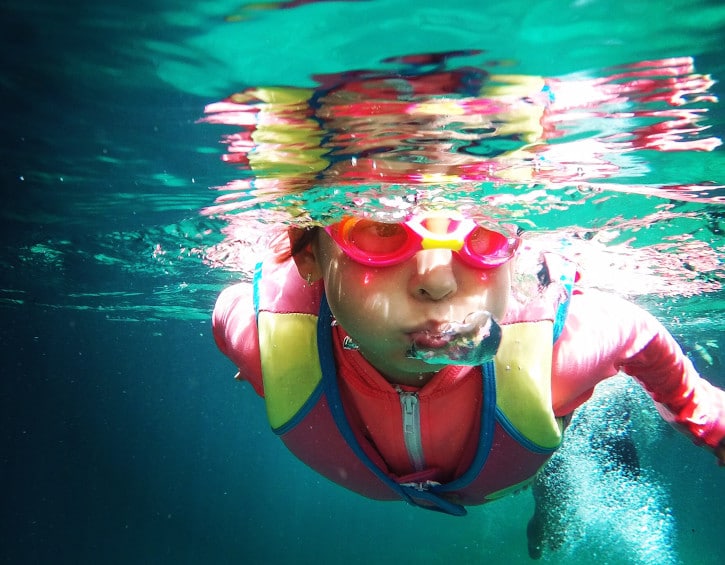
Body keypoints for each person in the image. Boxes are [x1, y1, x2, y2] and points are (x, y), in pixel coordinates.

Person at [212, 211, 725, 523]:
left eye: (480, 231)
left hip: (525, 434)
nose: (437, 281)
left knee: (563, 435)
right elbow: (227, 311)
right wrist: (265, 366)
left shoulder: (554, 356)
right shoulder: (269, 342)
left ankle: (557, 475)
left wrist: (704, 415)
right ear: (311, 259)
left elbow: (637, 333)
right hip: (503, 450)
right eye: (381, 228)